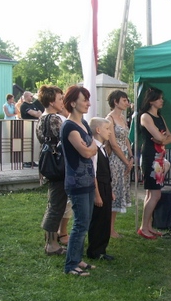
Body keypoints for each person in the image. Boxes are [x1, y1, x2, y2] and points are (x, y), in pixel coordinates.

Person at [60, 85, 98, 276]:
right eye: (85, 100)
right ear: (73, 103)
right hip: (77, 182)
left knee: (85, 222)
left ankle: (77, 258)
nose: (88, 103)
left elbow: (93, 148)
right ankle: (70, 265)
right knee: (80, 224)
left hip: (88, 180)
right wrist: (91, 147)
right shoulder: (69, 126)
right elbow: (87, 152)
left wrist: (90, 147)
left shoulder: (83, 123)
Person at [36, 85, 67, 256]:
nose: (62, 101)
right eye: (60, 99)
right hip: (57, 166)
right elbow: (66, 140)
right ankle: (51, 244)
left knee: (54, 203)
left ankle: (51, 240)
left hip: (49, 165)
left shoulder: (42, 118)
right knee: (56, 205)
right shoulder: (54, 119)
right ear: (51, 101)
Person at [138, 87, 171, 239]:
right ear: (151, 101)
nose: (161, 101)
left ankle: (148, 226)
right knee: (155, 194)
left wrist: (162, 139)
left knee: (151, 193)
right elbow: (159, 137)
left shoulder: (160, 117)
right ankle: (143, 227)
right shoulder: (145, 116)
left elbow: (169, 137)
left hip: (159, 157)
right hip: (151, 157)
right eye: (159, 98)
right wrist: (162, 138)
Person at [105, 90, 134, 238]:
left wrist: (131, 156)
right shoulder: (109, 119)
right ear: (115, 102)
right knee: (114, 192)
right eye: (124, 100)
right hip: (115, 160)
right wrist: (125, 160)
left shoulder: (122, 118)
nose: (127, 102)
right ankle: (108, 229)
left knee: (119, 192)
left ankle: (111, 228)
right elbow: (114, 144)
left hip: (124, 158)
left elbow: (126, 139)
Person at [87, 117, 115, 261]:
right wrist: (97, 195)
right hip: (99, 188)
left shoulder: (102, 148)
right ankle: (95, 250)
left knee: (105, 219)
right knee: (98, 220)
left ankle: (102, 249)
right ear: (98, 130)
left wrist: (110, 191)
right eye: (107, 129)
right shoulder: (95, 149)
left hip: (106, 187)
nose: (110, 132)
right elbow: (93, 174)